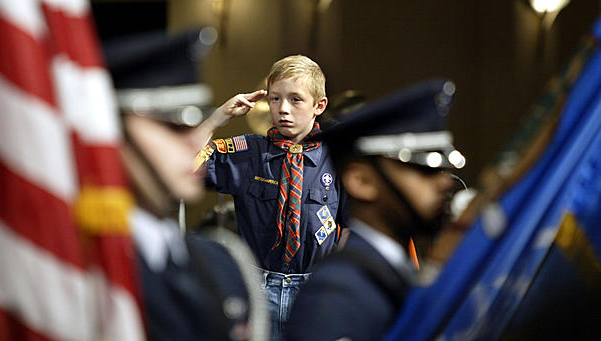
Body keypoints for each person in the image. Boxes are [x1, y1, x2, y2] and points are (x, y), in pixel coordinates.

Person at [103, 29, 268, 341]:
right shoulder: (76, 272)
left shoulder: (223, 266)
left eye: (196, 122)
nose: (196, 142)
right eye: (172, 125)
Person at [285, 79, 466, 341]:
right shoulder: (335, 293)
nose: (444, 182)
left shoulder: (398, 273)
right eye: (424, 169)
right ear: (362, 181)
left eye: (443, 169)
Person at [195, 55, 348, 340]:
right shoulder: (249, 153)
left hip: (314, 292)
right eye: (275, 99)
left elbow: (350, 228)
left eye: (295, 99)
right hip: (257, 289)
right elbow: (183, 165)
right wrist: (218, 117)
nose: (283, 109)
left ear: (319, 105)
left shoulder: (338, 158)